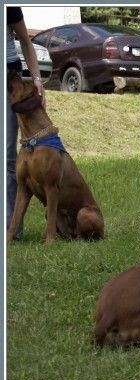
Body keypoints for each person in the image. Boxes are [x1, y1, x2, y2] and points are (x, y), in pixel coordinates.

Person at [6, 6, 46, 239]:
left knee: (8, 156)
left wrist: (37, 80)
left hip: (8, 80)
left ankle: (11, 229)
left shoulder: (9, 7)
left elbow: (25, 41)